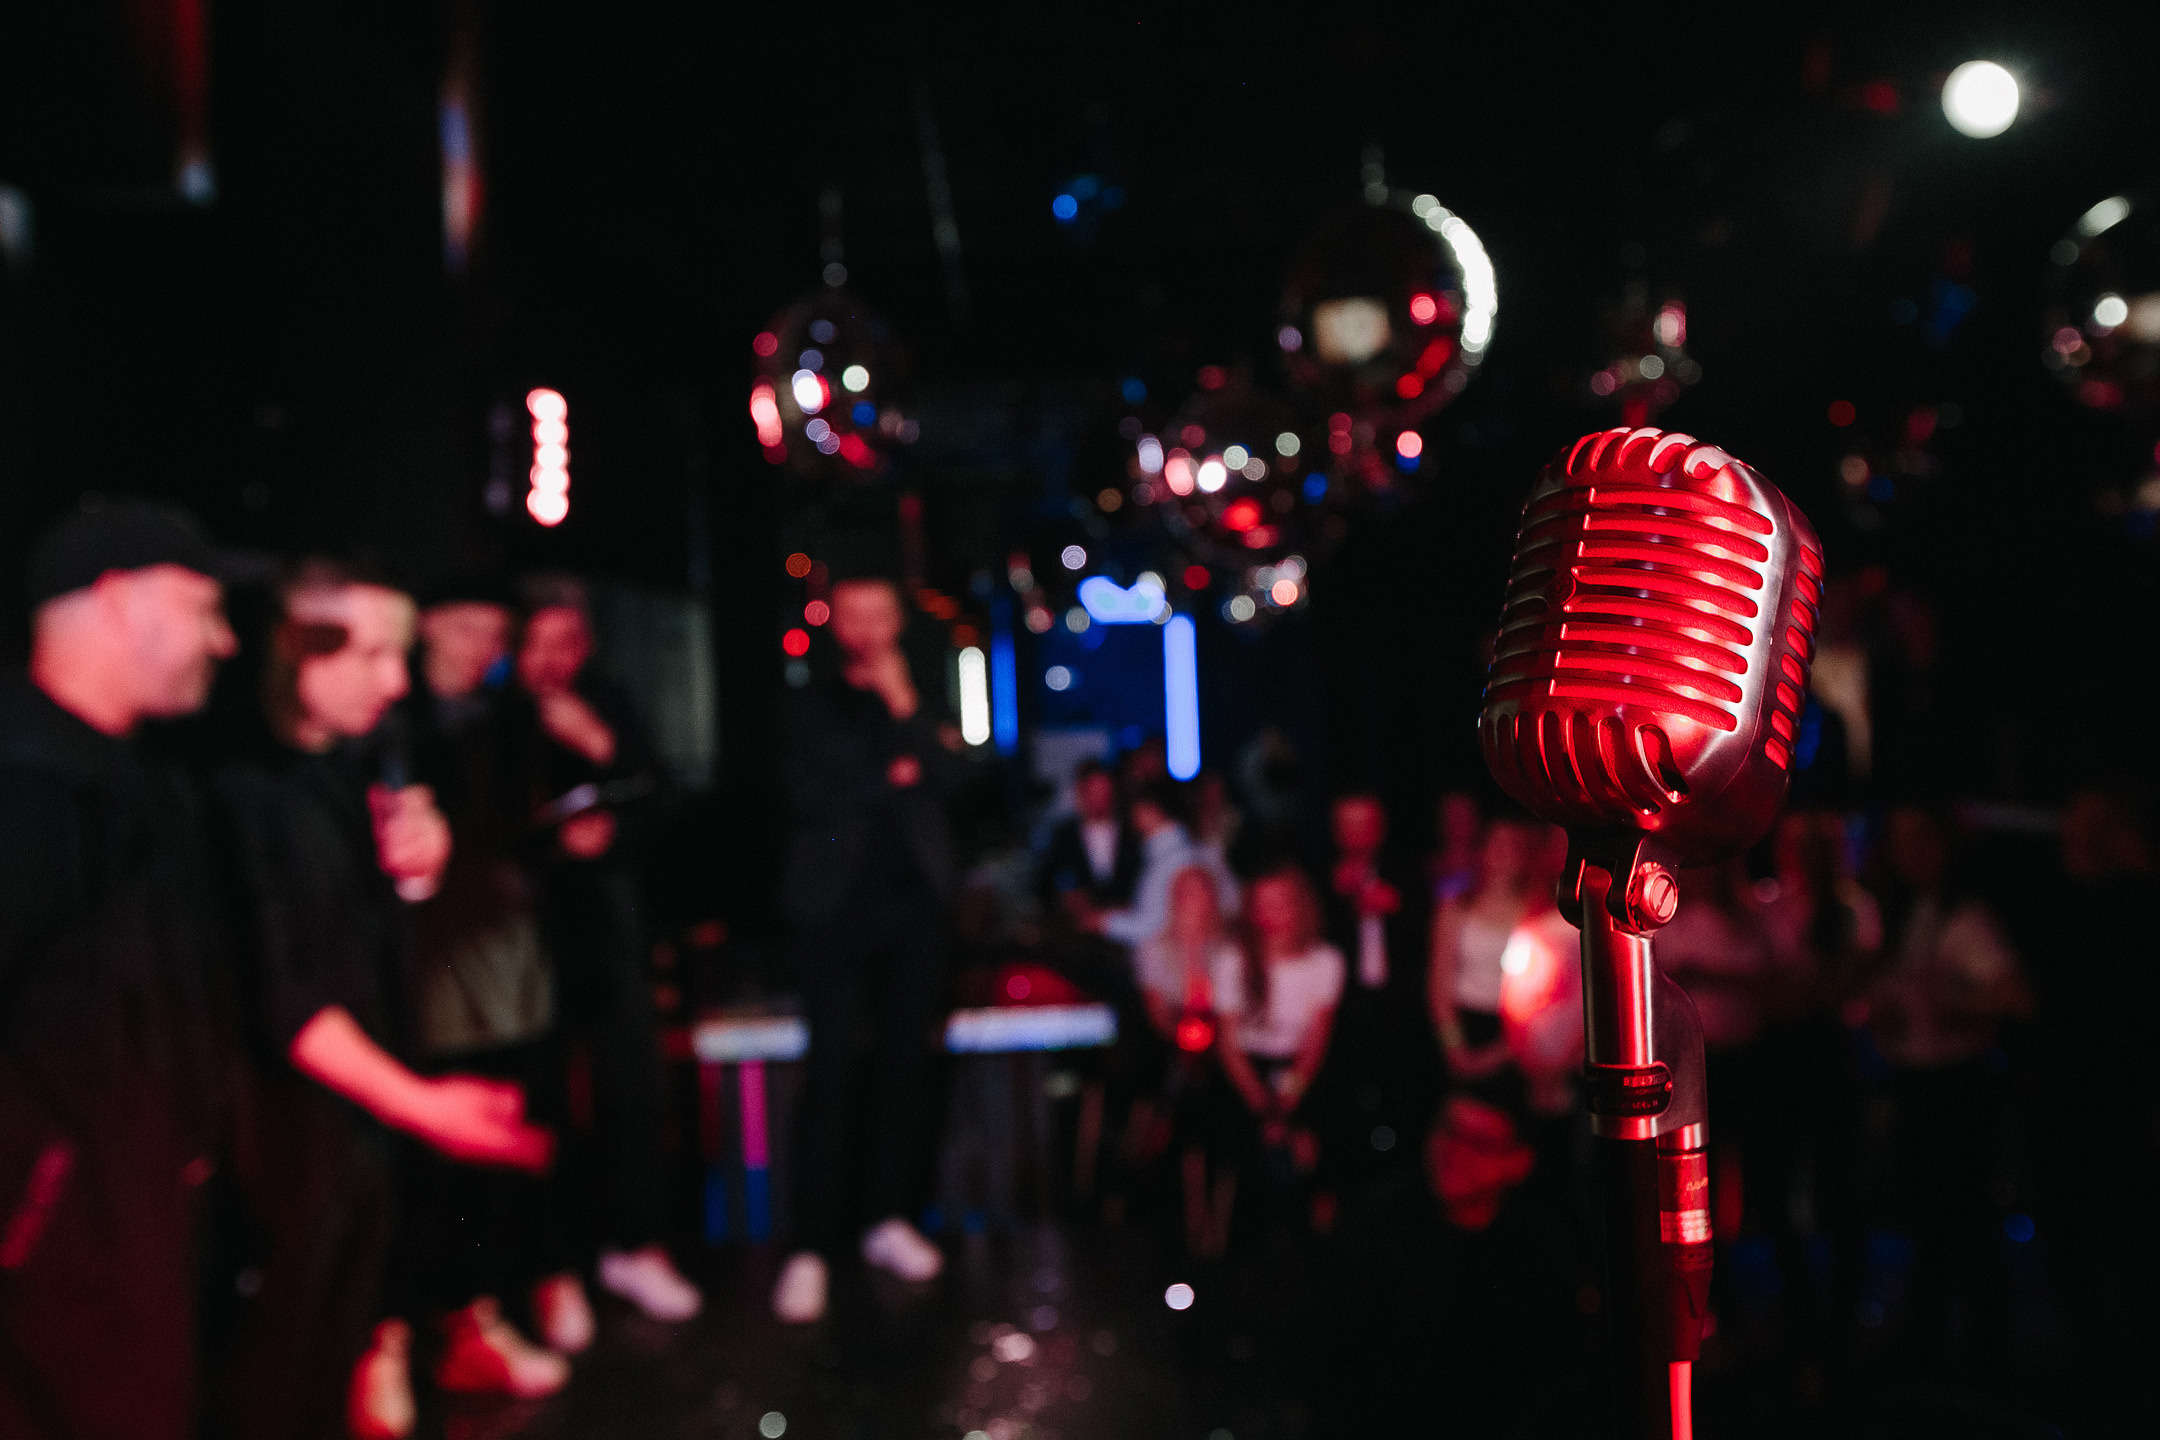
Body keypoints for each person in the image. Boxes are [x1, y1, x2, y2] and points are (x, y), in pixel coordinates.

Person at [210, 562, 558, 1438]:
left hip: (358, 1125)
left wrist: (419, 871)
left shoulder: (351, 767)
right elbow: (281, 993)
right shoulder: (240, 792)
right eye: (372, 656)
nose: (396, 682)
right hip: (284, 1136)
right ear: (298, 653)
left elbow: (362, 949)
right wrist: (428, 1108)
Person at [0, 503, 238, 1440]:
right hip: (60, 1265)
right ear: (115, 601)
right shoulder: (28, 793)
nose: (221, 640)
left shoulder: (139, 783)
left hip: (123, 1232)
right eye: (201, 608)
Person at [397, 577, 590, 1387]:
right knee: (444, 1136)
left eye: (494, 634)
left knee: (526, 1110)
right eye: (469, 629)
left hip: (513, 942)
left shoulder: (514, 719)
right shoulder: (395, 723)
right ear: (430, 626)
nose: (484, 650)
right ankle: (446, 1321)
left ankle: (525, 1283)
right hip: (434, 953)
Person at [774, 575, 959, 1324]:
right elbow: (809, 794)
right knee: (830, 1073)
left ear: (898, 620)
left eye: (881, 614)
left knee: (903, 1068)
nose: (869, 628)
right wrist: (896, 774)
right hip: (833, 911)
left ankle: (889, 1218)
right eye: (856, 614)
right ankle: (811, 1247)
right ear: (834, 621)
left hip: (915, 907)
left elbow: (955, 779)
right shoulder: (809, 699)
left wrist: (907, 708)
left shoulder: (923, 692)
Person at [515, 575, 701, 1322]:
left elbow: (665, 801)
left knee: (634, 1084)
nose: (554, 660)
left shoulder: (608, 702)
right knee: (540, 1095)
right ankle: (550, 1265)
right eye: (539, 643)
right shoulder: (494, 713)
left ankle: (635, 1245)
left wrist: (597, 745)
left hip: (607, 922)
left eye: (569, 643)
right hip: (520, 934)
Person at [1865, 805, 2030, 1370]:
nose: (1910, 854)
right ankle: (1943, 1340)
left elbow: (2015, 996)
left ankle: (1982, 1348)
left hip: (1956, 1088)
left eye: (1921, 839)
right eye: (1901, 841)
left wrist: (1951, 1004)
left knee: (1961, 1216)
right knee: (1933, 1215)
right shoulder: (1920, 914)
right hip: (1926, 1083)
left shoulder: (1964, 918)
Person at [1216, 864, 1345, 1240]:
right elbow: (1228, 1044)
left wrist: (1287, 1105)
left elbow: (1314, 1043)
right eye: (1262, 905)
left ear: (1302, 906)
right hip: (1245, 1076)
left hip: (1298, 1076)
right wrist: (1264, 1108)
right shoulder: (1232, 960)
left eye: (1281, 904)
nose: (1271, 916)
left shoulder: (1325, 962)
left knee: (1310, 1155)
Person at [1133, 866, 1245, 1257]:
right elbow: (1158, 1013)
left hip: (1224, 1044)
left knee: (1220, 1101)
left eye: (1199, 895)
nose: (1192, 904)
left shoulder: (1231, 948)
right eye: (1184, 895)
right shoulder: (1154, 947)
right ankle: (1192, 1211)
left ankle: (1222, 1212)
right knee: (1186, 1097)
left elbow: (1231, 1007)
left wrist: (1201, 948)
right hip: (1176, 1047)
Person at [1429, 818, 1543, 1082]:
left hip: (1514, 1035)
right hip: (1462, 1028)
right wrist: (1455, 1049)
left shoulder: (1537, 917)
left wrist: (1506, 1049)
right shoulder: (1454, 910)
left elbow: (1543, 996)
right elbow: (1438, 987)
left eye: (1512, 846)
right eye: (1496, 844)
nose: (1503, 854)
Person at [1090, 777, 1238, 950]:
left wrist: (1102, 922)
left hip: (1186, 962)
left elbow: (1155, 929)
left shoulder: (1175, 860)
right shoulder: (1191, 852)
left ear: (1147, 811)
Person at [1037, 758, 1141, 922]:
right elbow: (1049, 883)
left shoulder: (1133, 833)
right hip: (1077, 929)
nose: (1100, 799)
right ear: (1081, 793)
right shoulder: (1064, 836)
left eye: (1104, 791)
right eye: (1093, 792)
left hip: (1126, 925)